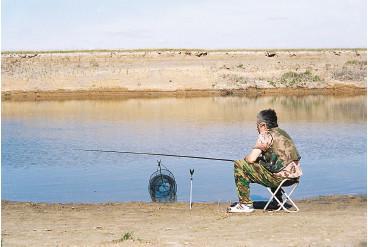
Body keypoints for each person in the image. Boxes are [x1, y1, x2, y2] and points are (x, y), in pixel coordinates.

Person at [227, 109, 302, 213]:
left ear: (263, 125)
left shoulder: (265, 135)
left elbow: (251, 159)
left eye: (257, 125)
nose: (256, 128)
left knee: (239, 164)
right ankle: (278, 201)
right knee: (268, 166)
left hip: (279, 179)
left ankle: (245, 204)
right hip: (294, 178)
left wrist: (246, 159)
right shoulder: (283, 133)